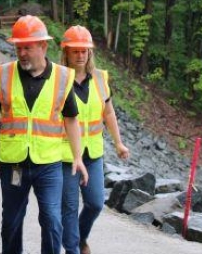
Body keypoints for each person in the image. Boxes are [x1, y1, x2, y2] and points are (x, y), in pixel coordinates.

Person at [0, 15, 88, 254]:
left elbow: (71, 118)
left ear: (43, 46)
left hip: (48, 164)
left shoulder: (61, 77)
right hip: (13, 164)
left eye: (27, 47)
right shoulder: (3, 74)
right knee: (11, 222)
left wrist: (78, 157)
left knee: (51, 220)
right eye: (18, 47)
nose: (22, 53)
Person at [59, 25, 130, 254]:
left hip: (93, 153)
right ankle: (72, 249)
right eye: (75, 51)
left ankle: (79, 238)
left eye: (84, 51)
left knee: (96, 203)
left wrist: (118, 143)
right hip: (66, 154)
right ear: (66, 52)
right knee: (69, 207)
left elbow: (108, 113)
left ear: (90, 53)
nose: (80, 55)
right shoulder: (58, 79)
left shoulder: (100, 79)